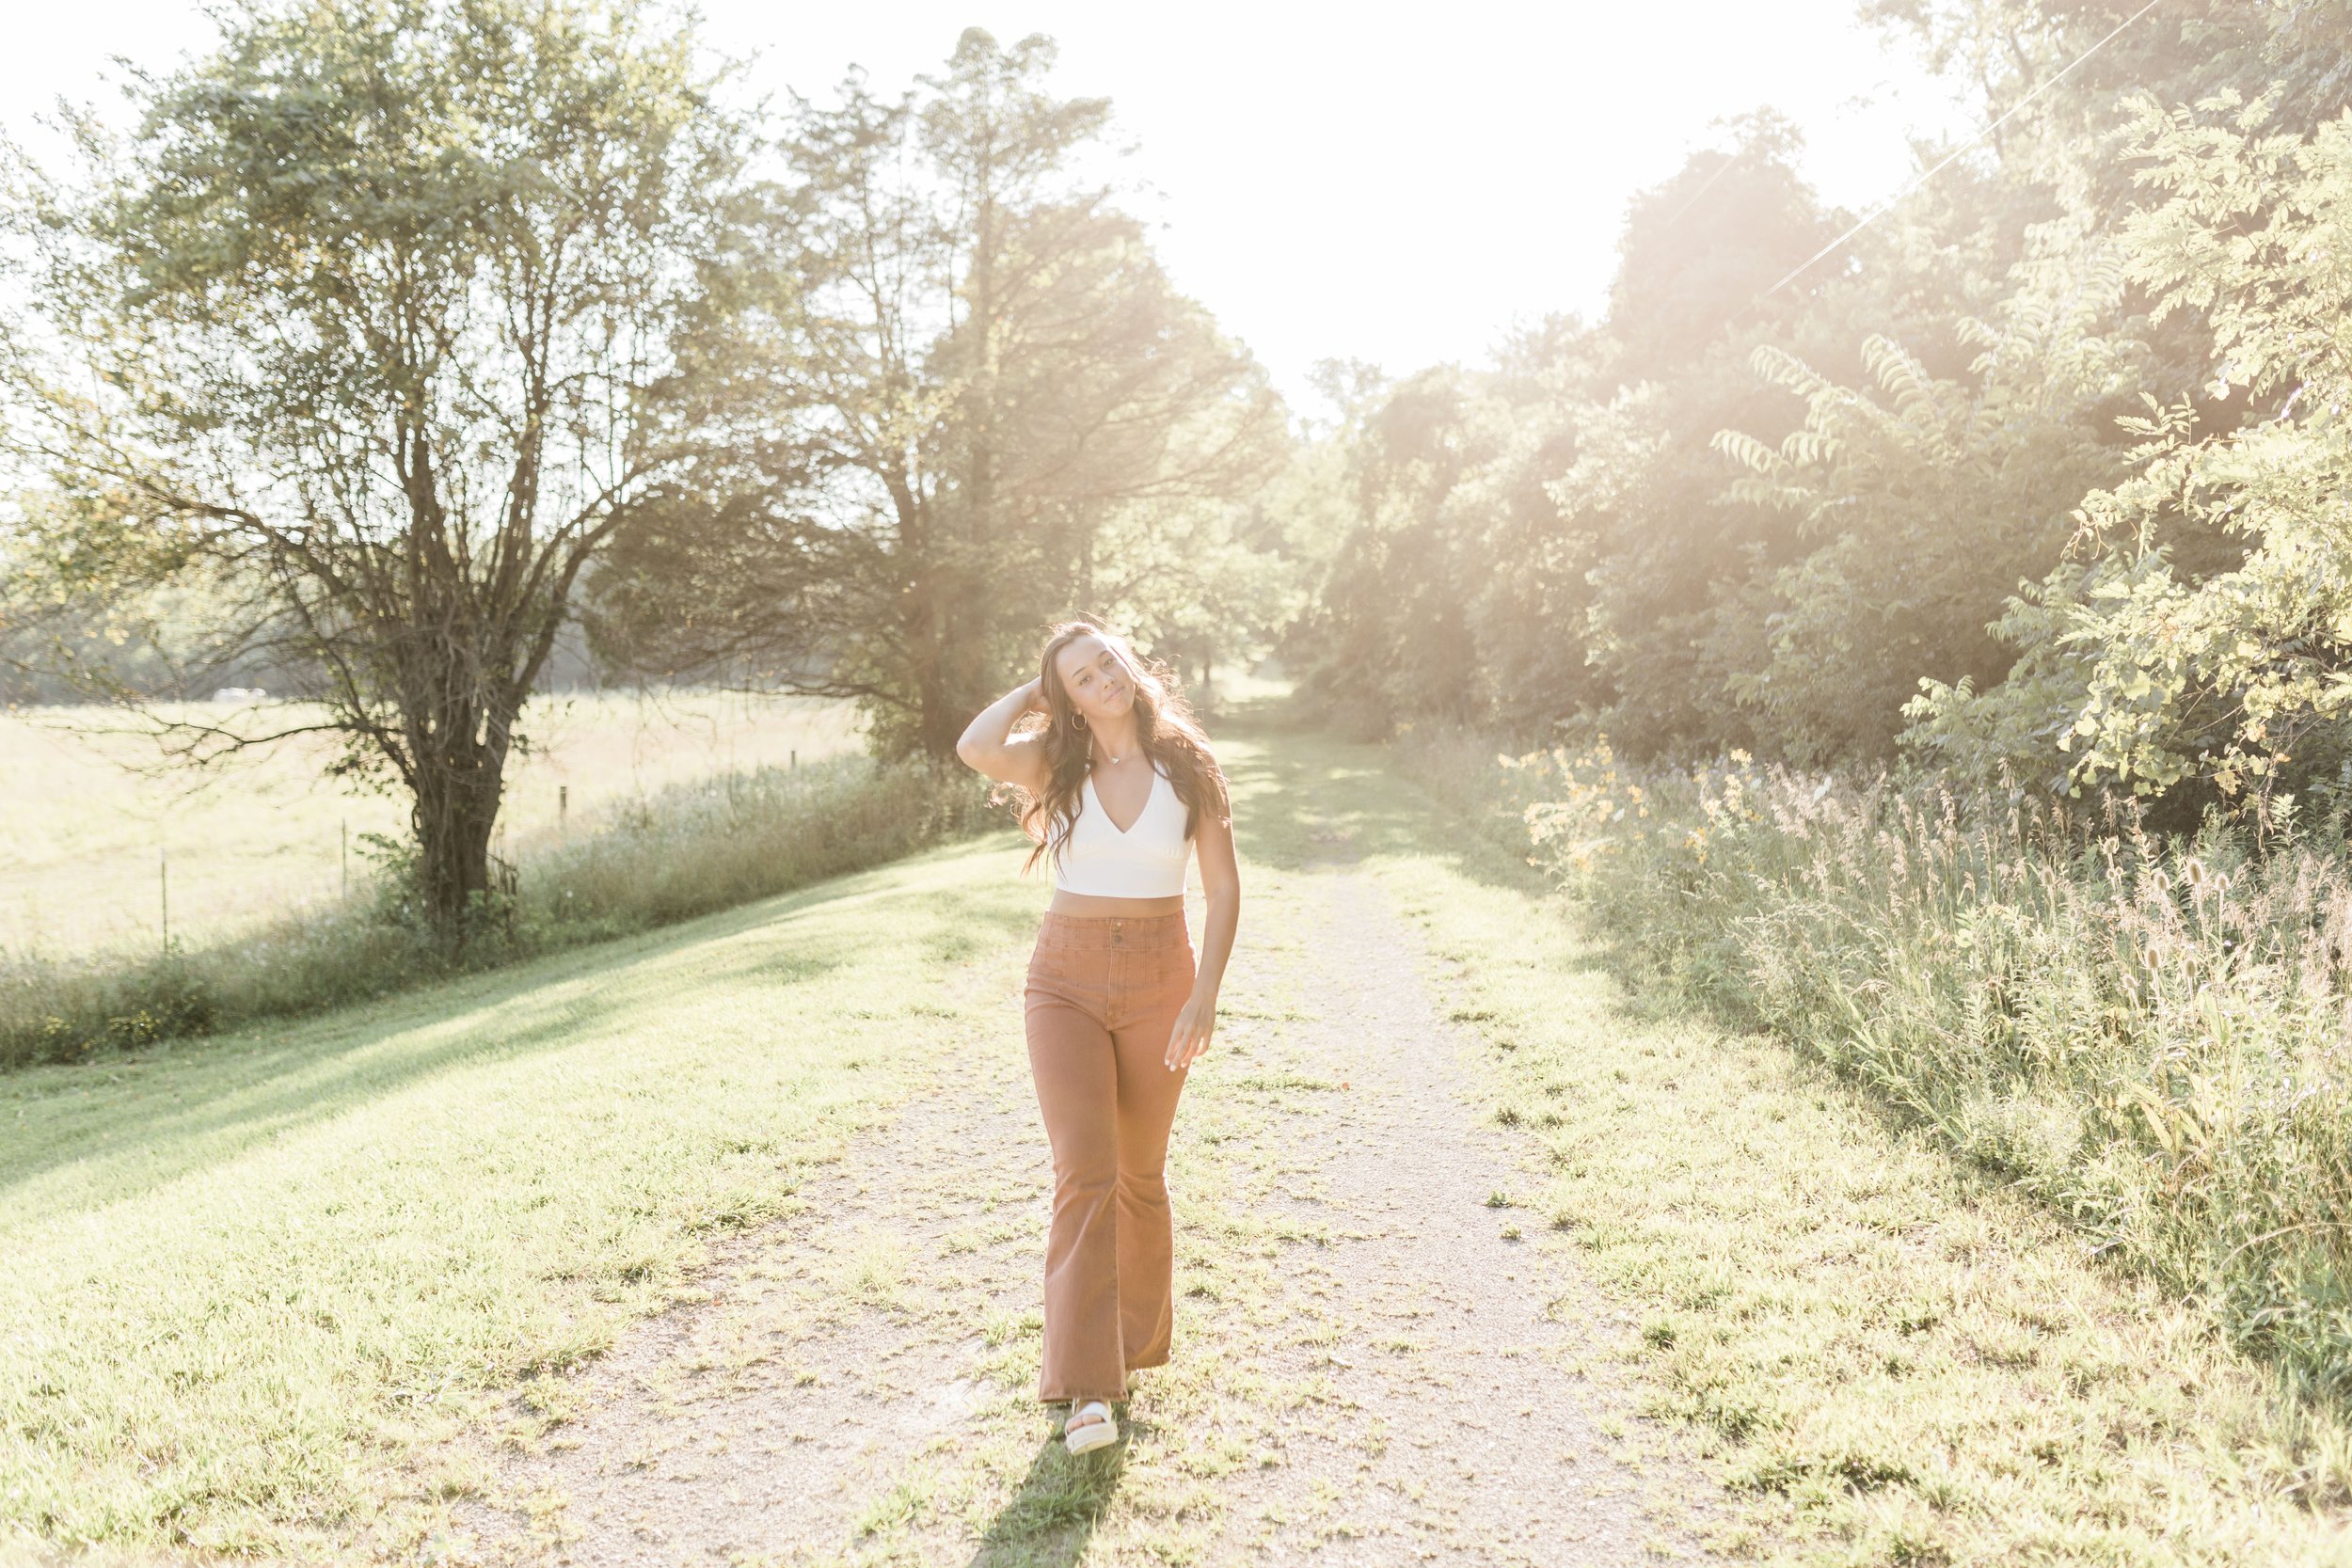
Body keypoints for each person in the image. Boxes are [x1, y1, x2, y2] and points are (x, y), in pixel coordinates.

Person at [954, 619, 1241, 1455]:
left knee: (1139, 1174)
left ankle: (1133, 1348)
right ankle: (1086, 1388)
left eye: (1107, 662)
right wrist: (1041, 689)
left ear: (1130, 665)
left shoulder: (1188, 762)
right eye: (1082, 676)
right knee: (1085, 1171)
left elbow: (1222, 892)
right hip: (1065, 978)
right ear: (1067, 696)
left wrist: (1205, 996)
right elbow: (975, 744)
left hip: (1162, 974)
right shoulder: (1055, 761)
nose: (1103, 679)